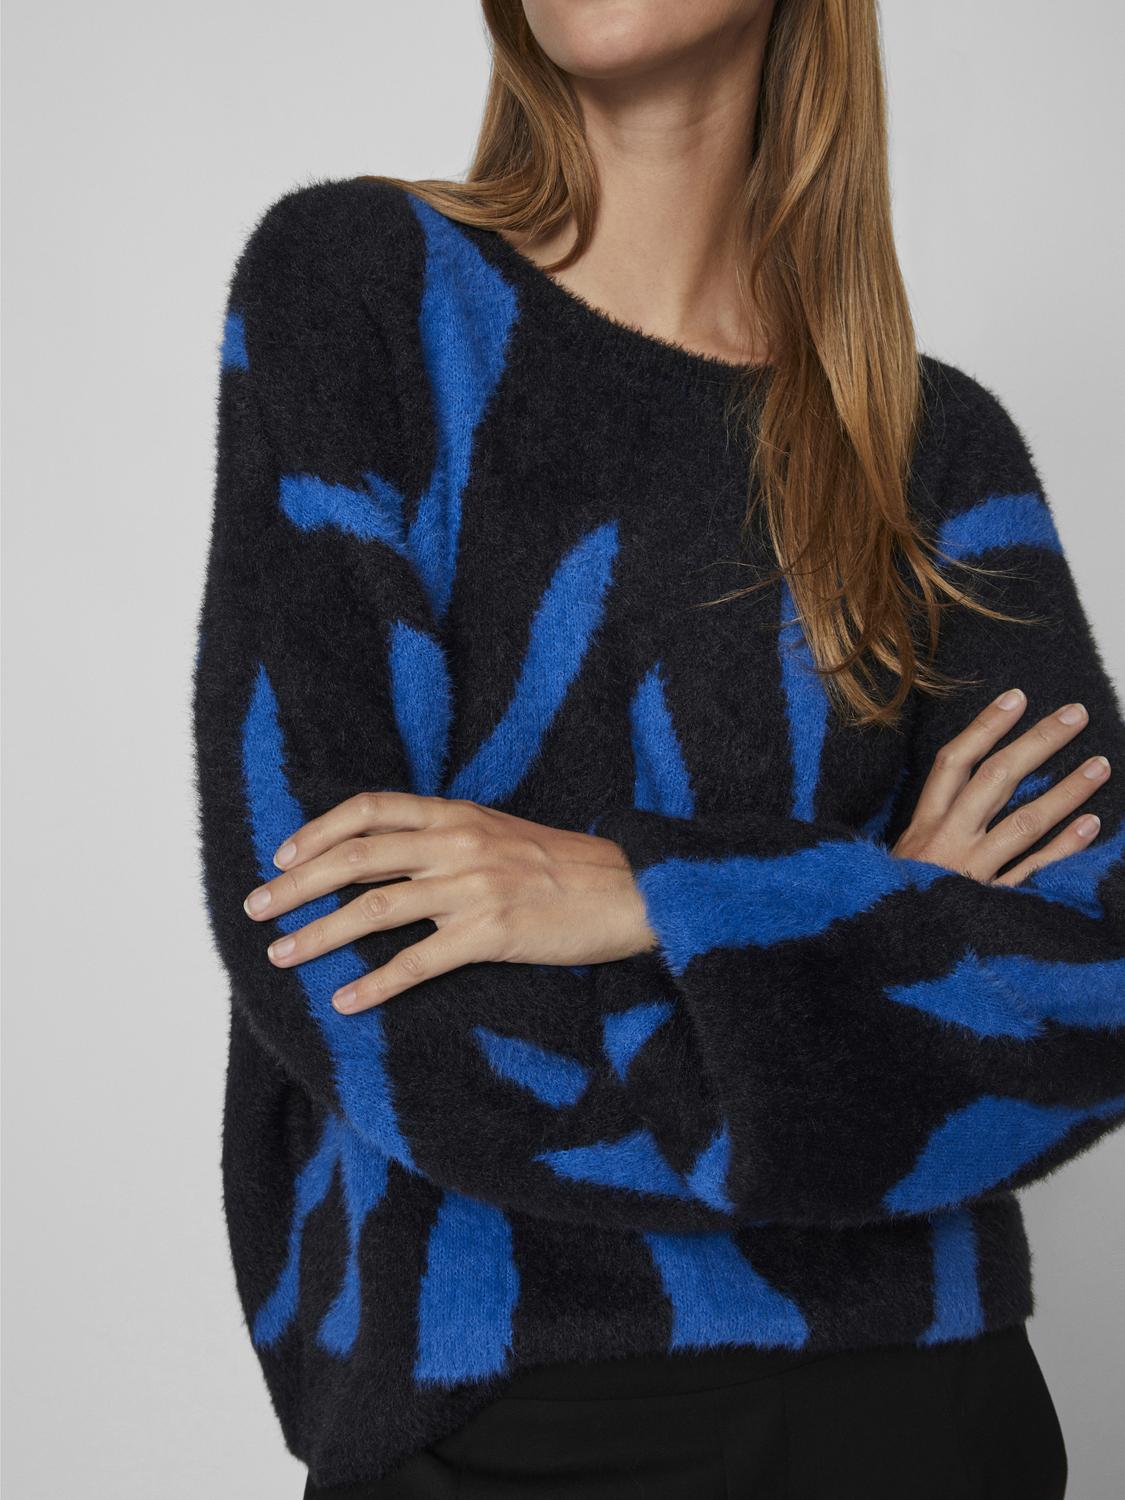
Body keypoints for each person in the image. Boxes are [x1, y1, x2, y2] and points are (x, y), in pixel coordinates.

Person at [191, 2, 1125, 1495]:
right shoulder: (367, 294)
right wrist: (879, 920)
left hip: (926, 1406)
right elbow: (343, 953)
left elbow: (1091, 988)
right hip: (509, 1414)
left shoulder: (932, 450)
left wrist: (647, 893)